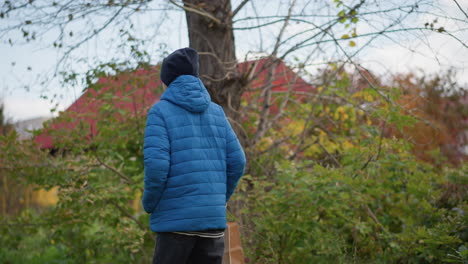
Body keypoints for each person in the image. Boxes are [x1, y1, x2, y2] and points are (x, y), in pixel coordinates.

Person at [142, 47, 246, 264]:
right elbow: (238, 161)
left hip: (175, 223)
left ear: (167, 80)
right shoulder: (217, 112)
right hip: (212, 221)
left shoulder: (160, 112)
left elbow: (157, 167)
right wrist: (217, 199)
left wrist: (150, 203)